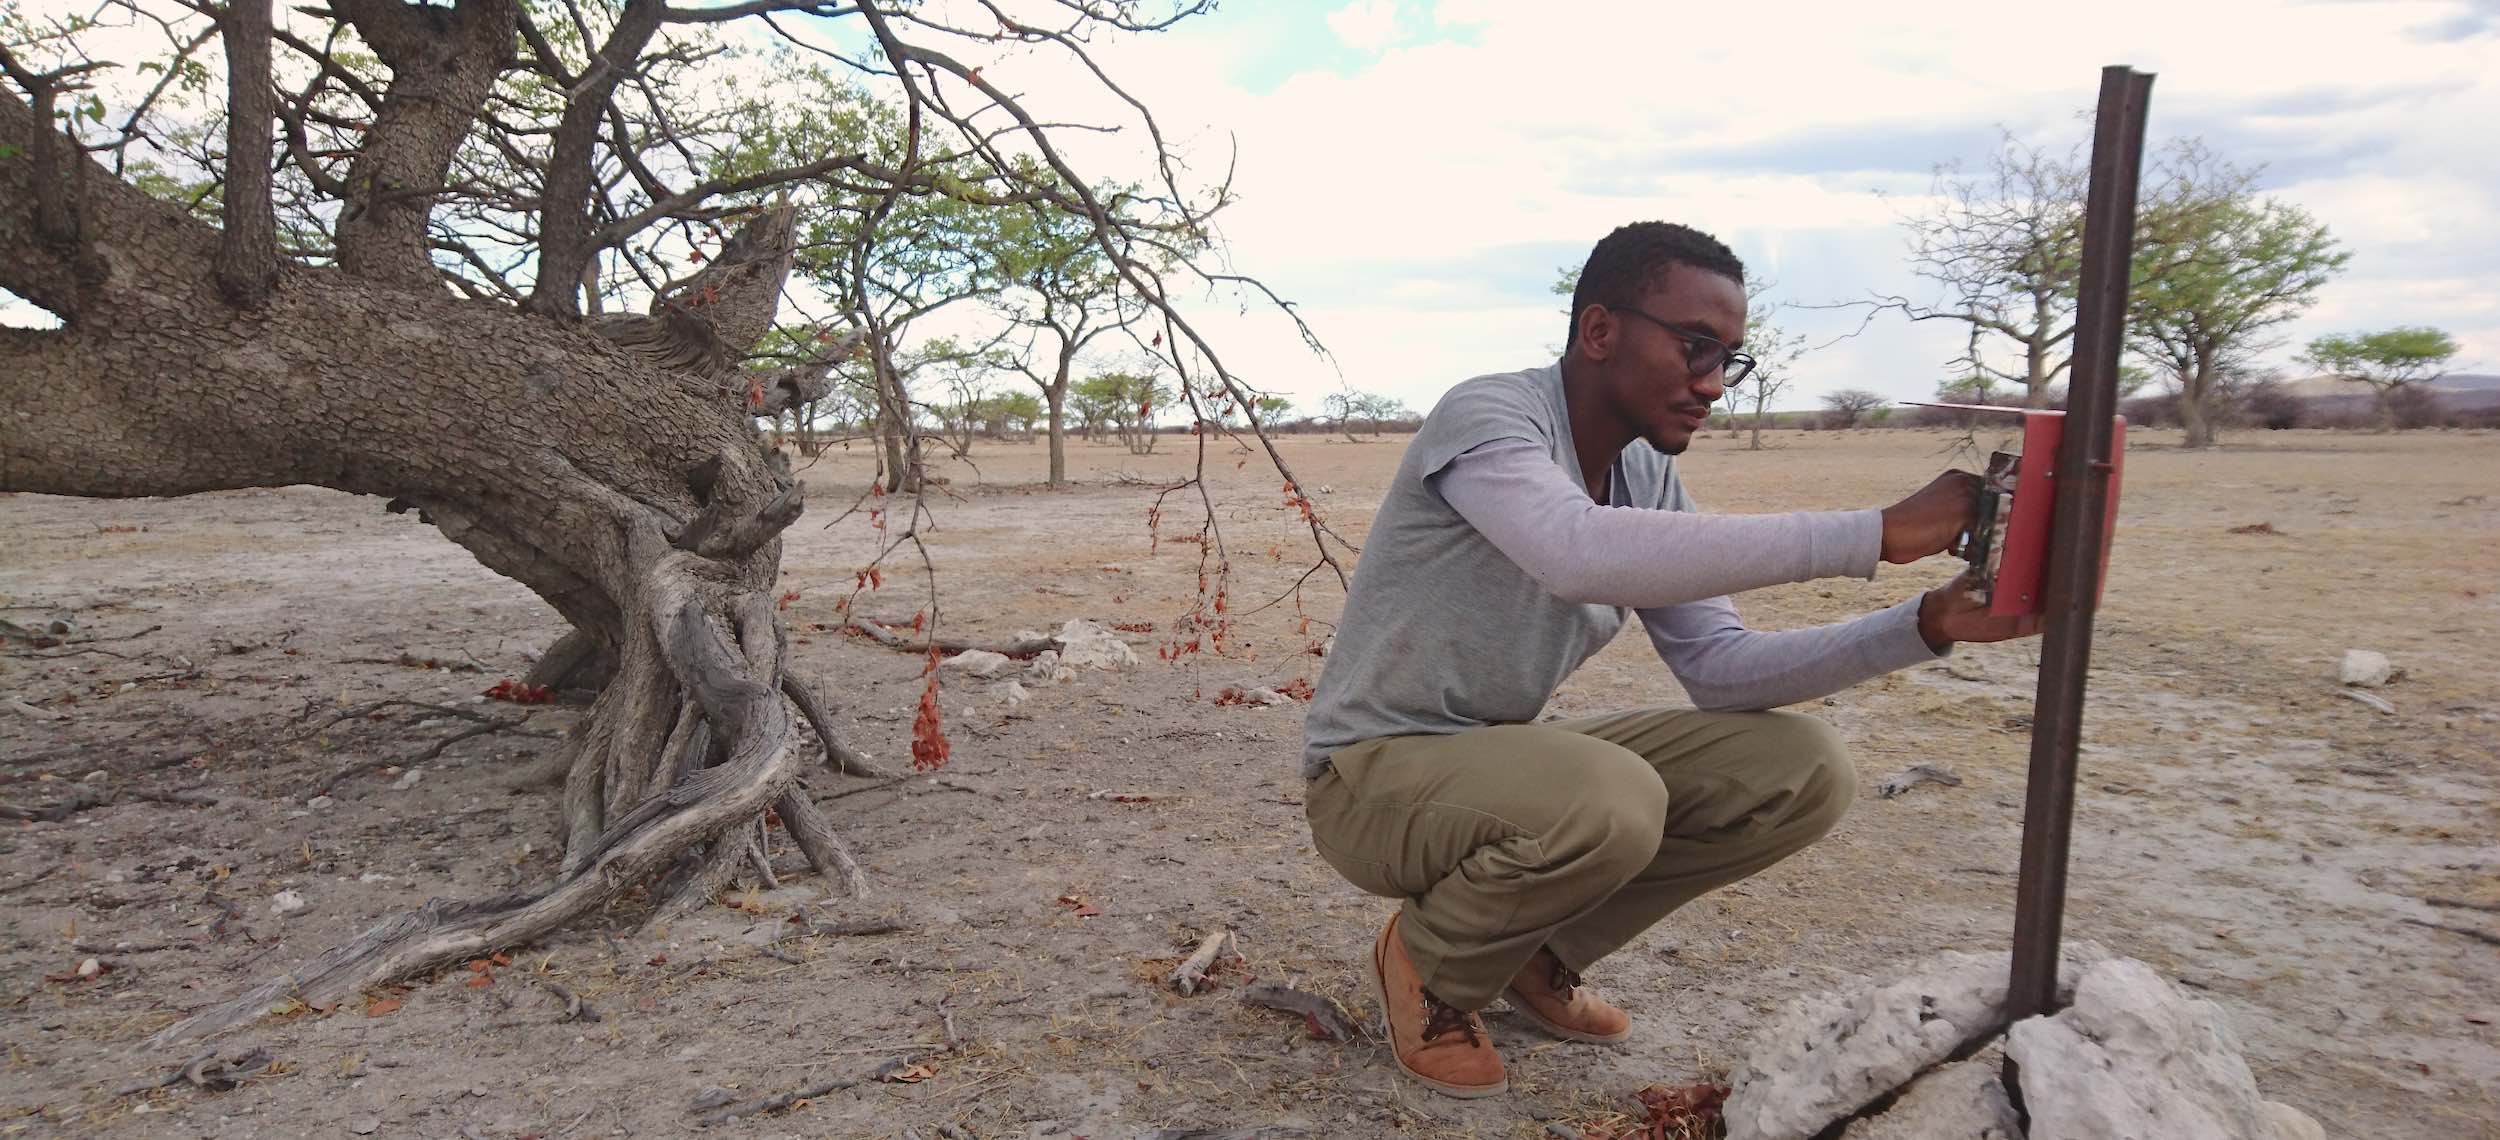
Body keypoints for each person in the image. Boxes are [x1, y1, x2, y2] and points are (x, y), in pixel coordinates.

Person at [1299, 221, 2041, 1099]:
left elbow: (1722, 668)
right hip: (1369, 777)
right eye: (1696, 347)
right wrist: (1877, 534)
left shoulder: (1647, 477)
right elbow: (1576, 552)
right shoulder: (1492, 416)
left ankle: (1540, 954)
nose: (1715, 384)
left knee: (1801, 769)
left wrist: (1923, 624)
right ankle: (1430, 965)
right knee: (1611, 797)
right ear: (1601, 331)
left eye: (1732, 358)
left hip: (1488, 767)